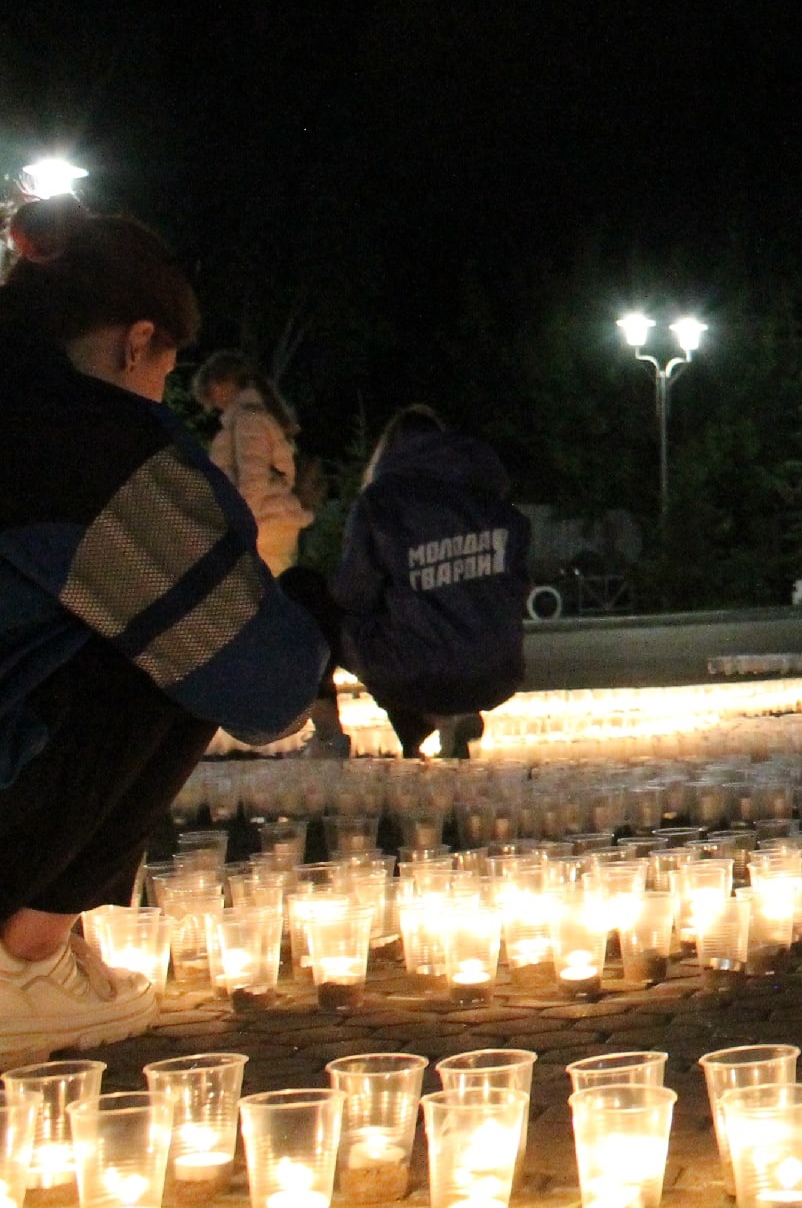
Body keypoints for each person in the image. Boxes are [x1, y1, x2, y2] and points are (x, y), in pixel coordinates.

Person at [0, 199, 328, 1057]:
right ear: (137, 341)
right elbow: (265, 683)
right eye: (162, 375)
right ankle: (19, 963)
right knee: (186, 636)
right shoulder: (83, 437)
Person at [331, 406, 530, 760]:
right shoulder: (493, 503)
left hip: (415, 673)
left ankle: (333, 734)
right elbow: (515, 589)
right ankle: (451, 716)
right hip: (497, 671)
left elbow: (352, 594)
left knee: (310, 598)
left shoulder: (381, 503)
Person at [193, 350, 314, 576]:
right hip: (272, 526)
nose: (213, 402)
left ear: (222, 384)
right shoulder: (261, 415)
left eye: (211, 392)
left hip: (262, 530)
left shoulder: (248, 420)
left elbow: (253, 480)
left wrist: (238, 531)